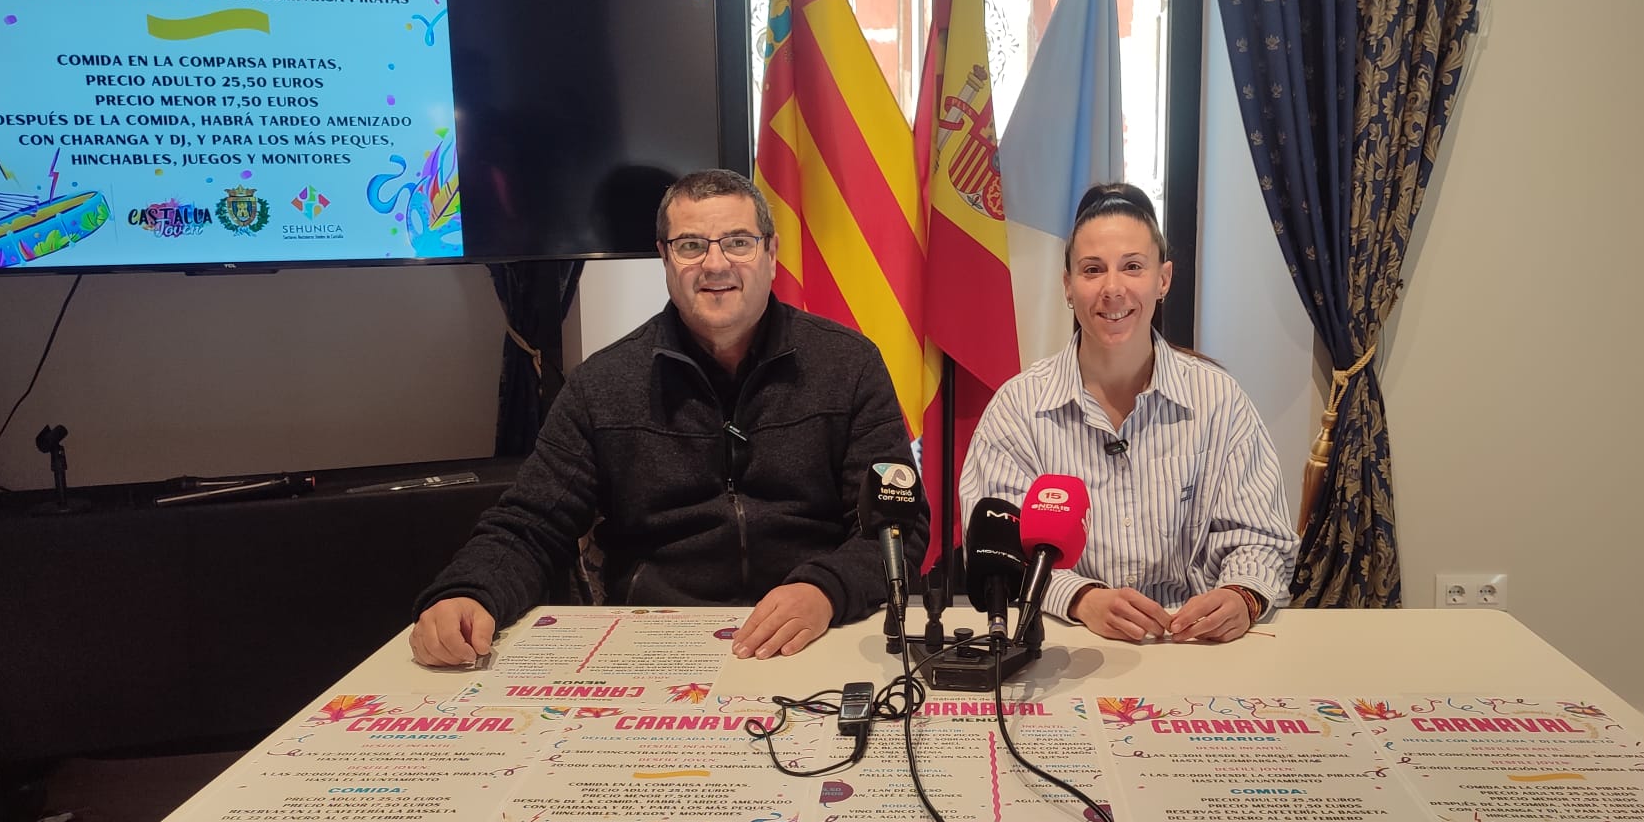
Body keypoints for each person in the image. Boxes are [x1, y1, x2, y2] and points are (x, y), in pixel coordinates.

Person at [411, 169, 924, 666]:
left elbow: (899, 527)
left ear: (771, 255)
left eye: (739, 242)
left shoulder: (850, 365)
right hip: (655, 643)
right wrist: (468, 592)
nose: (716, 264)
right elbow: (530, 525)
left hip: (818, 632)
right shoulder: (602, 384)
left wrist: (825, 590)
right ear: (664, 257)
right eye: (691, 245)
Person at [959, 183, 1296, 644]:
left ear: (1163, 280)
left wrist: (1241, 595)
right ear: (1068, 286)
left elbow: (1260, 536)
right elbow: (999, 552)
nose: (1113, 289)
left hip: (1192, 645)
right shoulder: (1017, 410)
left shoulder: (1219, 400)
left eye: (1133, 267)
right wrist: (1081, 598)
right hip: (1067, 645)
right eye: (1093, 269)